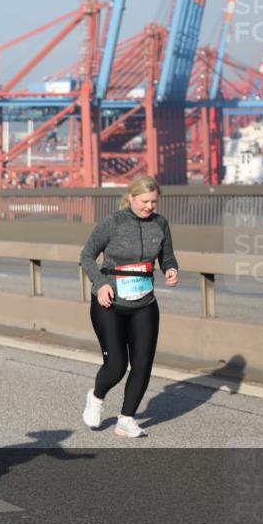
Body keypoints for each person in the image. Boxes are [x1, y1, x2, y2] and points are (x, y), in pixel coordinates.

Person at [80, 175, 179, 438]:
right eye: (145, 201)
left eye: (154, 202)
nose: (149, 207)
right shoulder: (112, 223)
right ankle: (97, 397)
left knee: (143, 364)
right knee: (116, 366)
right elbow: (87, 255)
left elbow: (167, 255)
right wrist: (100, 283)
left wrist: (170, 269)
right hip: (109, 302)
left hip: (144, 303)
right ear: (131, 197)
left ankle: (126, 420)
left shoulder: (160, 224)